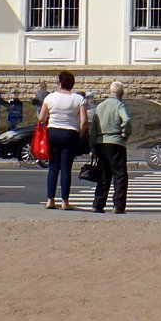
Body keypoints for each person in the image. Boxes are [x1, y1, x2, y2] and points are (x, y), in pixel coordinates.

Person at [38, 70, 88, 210]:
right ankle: (65, 202)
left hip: (53, 132)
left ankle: (50, 200)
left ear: (59, 83)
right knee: (66, 168)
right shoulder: (79, 99)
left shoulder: (50, 98)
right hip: (70, 133)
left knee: (53, 166)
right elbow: (84, 121)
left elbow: (41, 118)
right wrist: (79, 133)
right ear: (72, 84)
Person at [90, 80, 132, 214]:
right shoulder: (120, 105)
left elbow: (94, 128)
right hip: (116, 142)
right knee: (119, 175)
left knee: (103, 175)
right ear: (122, 93)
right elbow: (127, 120)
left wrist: (93, 147)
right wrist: (125, 132)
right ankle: (118, 206)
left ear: (110, 92)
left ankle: (98, 204)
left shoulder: (100, 106)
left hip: (101, 142)